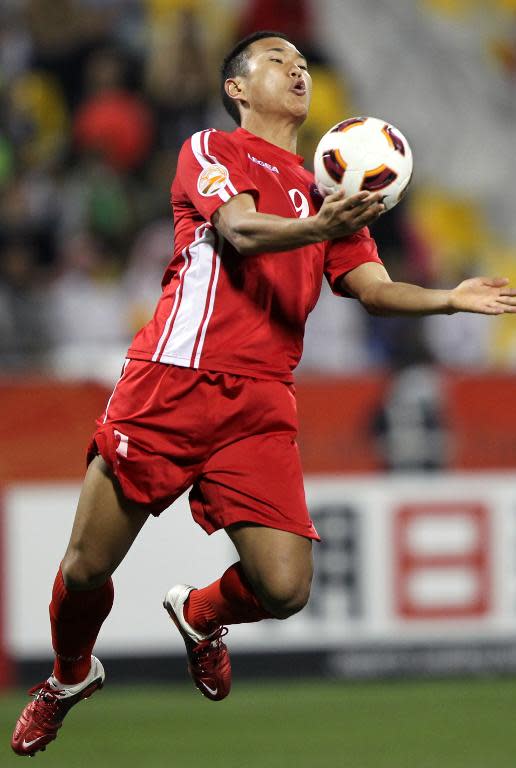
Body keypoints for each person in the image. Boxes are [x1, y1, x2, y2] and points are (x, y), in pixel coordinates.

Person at [11, 30, 516, 758]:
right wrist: (316, 224)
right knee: (87, 568)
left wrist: (449, 299)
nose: (297, 68)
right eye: (277, 60)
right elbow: (241, 229)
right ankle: (66, 678)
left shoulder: (331, 190)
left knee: (285, 588)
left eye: (303, 62)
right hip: (174, 379)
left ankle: (201, 612)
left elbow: (371, 289)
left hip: (259, 404)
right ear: (238, 89)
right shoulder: (211, 150)